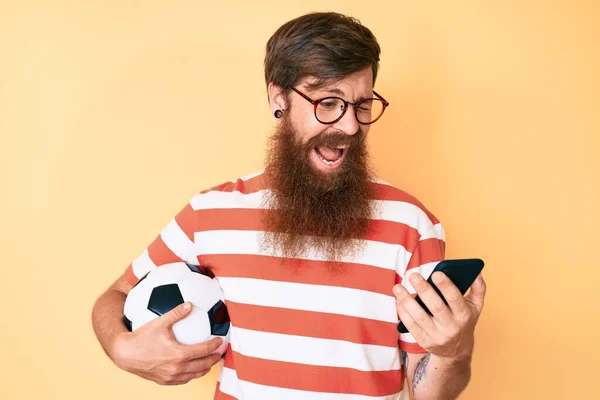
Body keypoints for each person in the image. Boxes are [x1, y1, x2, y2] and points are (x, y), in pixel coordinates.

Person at [91, 11, 486, 400]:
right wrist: (122, 349)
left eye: (362, 105)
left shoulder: (411, 225)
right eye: (328, 103)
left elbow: (429, 393)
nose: (350, 126)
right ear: (278, 98)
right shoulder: (209, 213)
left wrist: (452, 353)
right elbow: (116, 296)